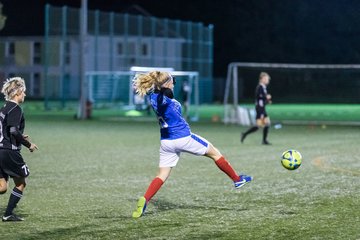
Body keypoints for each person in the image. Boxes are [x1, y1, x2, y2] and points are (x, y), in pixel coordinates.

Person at [132, 71, 252, 218]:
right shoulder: (166, 96)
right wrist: (166, 89)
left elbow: (164, 94)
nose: (174, 84)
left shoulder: (152, 96)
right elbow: (168, 94)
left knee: (162, 175)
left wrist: (164, 87)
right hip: (183, 138)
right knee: (215, 153)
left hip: (166, 142)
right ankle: (237, 179)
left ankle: (145, 200)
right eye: (172, 81)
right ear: (167, 84)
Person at [0, 77, 38, 222]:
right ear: (18, 92)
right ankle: (8, 214)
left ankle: (8, 214)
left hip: (0, 150)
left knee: (2, 187)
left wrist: (19, 136)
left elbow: (6, 131)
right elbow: (14, 131)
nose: (25, 95)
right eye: (24, 92)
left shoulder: (3, 108)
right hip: (9, 152)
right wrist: (29, 144)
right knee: (21, 183)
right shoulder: (16, 109)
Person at [241, 72, 272, 145]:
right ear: (261, 79)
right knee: (258, 126)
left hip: (262, 108)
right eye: (265, 79)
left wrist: (267, 101)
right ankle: (244, 134)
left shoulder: (264, 87)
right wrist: (266, 97)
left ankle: (264, 141)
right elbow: (259, 96)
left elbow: (262, 99)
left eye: (267, 79)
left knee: (267, 123)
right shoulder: (259, 87)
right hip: (260, 109)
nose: (267, 80)